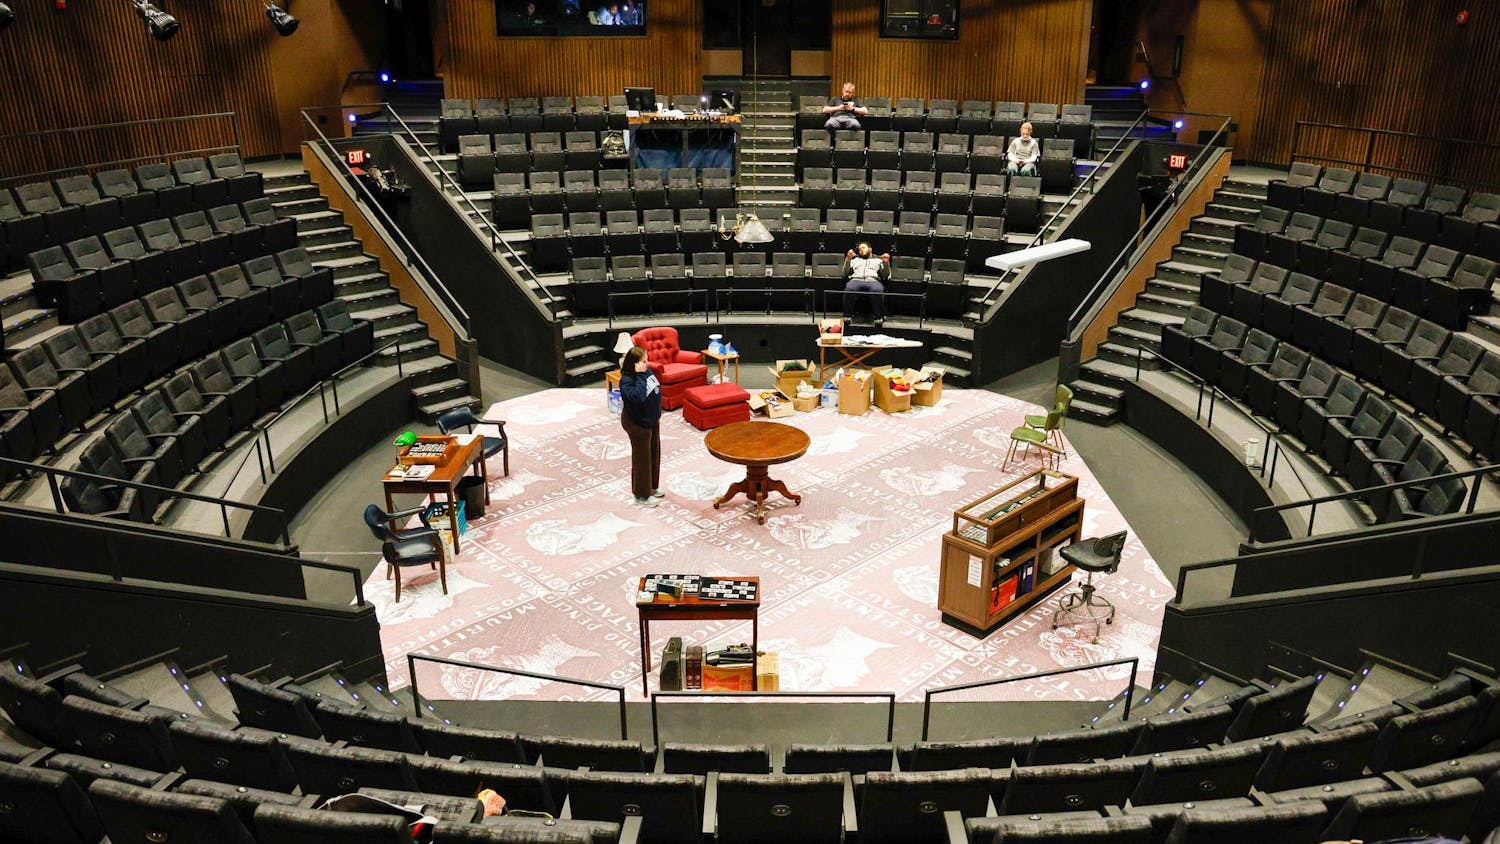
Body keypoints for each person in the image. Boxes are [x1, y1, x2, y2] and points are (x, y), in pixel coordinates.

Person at [618, 346, 664, 506]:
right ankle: (641, 495)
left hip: (651, 419)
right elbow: (638, 397)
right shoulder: (627, 381)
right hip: (636, 423)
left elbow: (655, 389)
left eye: (646, 360)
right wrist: (640, 375)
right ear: (634, 364)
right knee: (642, 459)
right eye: (643, 361)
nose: (647, 363)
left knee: (654, 453)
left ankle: (652, 486)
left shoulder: (647, 371)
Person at [841, 241, 890, 324]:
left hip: (873, 281)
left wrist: (886, 263)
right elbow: (845, 273)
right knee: (849, 288)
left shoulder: (878, 260)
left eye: (863, 248)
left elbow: (885, 275)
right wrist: (848, 260)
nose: (861, 250)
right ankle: (847, 316)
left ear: (870, 249)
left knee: (877, 290)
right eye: (859, 249)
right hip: (856, 280)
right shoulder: (855, 260)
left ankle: (878, 317)